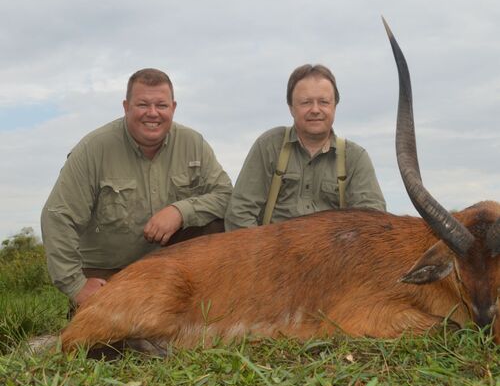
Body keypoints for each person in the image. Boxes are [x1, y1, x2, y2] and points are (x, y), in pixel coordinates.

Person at [42, 68, 232, 307]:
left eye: (161, 105)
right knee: (112, 330)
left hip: (171, 265)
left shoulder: (193, 143)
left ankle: (209, 304)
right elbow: (57, 216)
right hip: (111, 274)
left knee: (219, 224)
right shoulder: (93, 149)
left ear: (173, 108)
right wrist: (76, 286)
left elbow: (226, 195)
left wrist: (180, 212)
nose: (152, 113)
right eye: (143, 104)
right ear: (126, 107)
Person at [225, 64, 386, 230]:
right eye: (306, 102)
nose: (315, 110)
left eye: (324, 102)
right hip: (271, 245)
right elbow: (239, 214)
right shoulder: (269, 146)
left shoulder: (355, 158)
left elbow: (373, 223)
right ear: (291, 108)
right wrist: (261, 247)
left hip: (334, 247)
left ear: (334, 106)